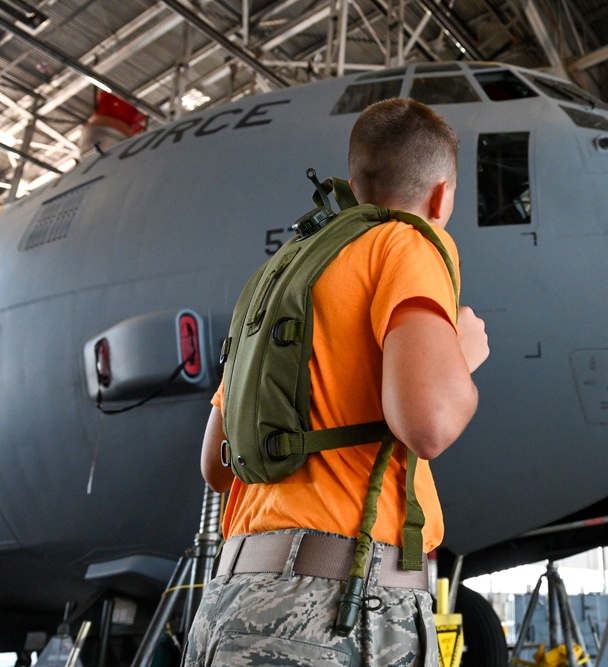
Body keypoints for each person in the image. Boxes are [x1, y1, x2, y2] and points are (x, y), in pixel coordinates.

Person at [183, 98, 489, 667]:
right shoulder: (407, 241)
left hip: (231, 607)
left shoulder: (279, 275)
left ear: (354, 184)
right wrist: (459, 357)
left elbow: (216, 465)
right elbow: (429, 424)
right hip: (339, 608)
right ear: (441, 196)